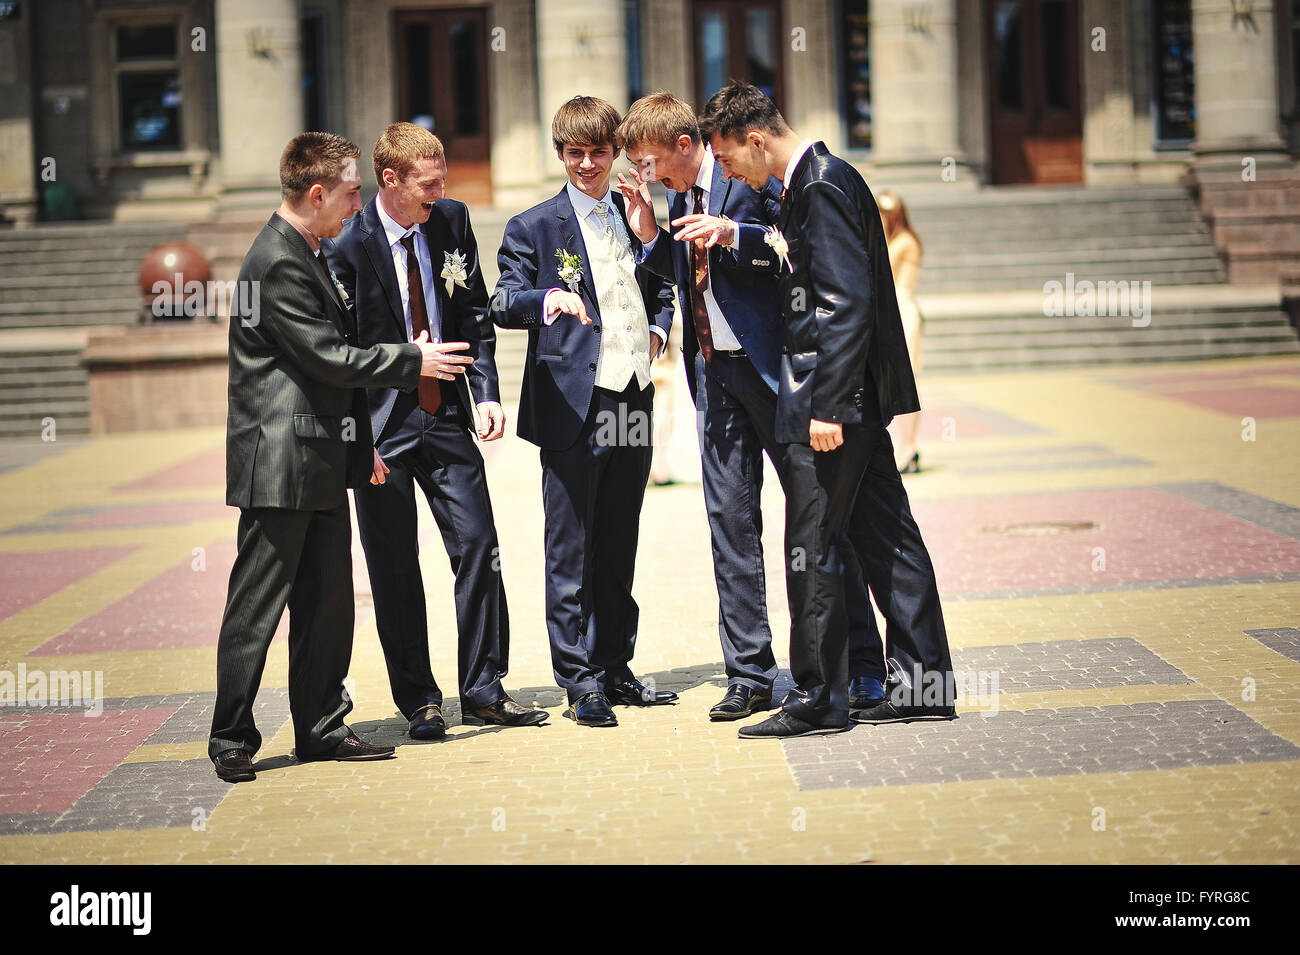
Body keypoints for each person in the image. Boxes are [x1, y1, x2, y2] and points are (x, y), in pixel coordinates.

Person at [615, 90, 890, 720]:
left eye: (649, 161)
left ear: (685, 146)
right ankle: (751, 673)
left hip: (779, 374)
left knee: (819, 519)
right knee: (730, 524)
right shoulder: (677, 198)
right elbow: (681, 276)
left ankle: (863, 667)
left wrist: (735, 233)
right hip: (713, 375)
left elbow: (795, 249)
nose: (644, 174)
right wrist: (650, 233)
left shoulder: (749, 174)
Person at [696, 82, 956, 739]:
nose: (725, 171)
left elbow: (845, 303)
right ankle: (924, 685)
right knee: (887, 534)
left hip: (833, 403)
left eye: (727, 158)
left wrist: (830, 405)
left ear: (756, 139)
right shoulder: (818, 179)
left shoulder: (819, 184)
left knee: (811, 543)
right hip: (848, 398)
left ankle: (818, 698)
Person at [209, 132, 462, 782]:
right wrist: (413, 359)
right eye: (351, 193)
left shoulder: (311, 250)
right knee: (257, 606)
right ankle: (231, 737)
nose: (358, 205)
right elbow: (327, 358)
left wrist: (360, 448)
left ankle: (321, 724)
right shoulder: (276, 261)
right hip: (278, 466)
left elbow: (329, 374)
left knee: (329, 605)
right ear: (316, 193)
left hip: (319, 460)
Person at [323, 123, 547, 738]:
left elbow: (472, 309)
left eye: (442, 179)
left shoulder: (451, 221)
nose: (439, 192)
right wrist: (357, 439)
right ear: (389, 181)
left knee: (478, 546)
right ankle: (419, 700)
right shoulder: (345, 242)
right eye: (428, 183)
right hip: (380, 431)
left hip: (446, 417)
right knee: (396, 567)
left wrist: (488, 392)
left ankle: (483, 688)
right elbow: (338, 352)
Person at [490, 96, 678, 728]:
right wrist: (548, 300)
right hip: (574, 401)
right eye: (576, 153)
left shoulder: (638, 211)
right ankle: (577, 679)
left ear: (615, 152)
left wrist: (658, 327)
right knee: (570, 543)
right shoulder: (532, 227)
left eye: (600, 152)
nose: (588, 164)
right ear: (561, 154)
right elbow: (503, 301)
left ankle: (614, 665)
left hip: (632, 390)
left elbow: (666, 283)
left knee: (619, 533)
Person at [877, 190, 925, 474]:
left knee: (907, 379)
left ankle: (909, 446)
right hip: (896, 309)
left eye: (884, 213)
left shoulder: (904, 242)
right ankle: (906, 446)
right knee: (898, 379)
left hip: (905, 309)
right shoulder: (898, 240)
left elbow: (883, 265)